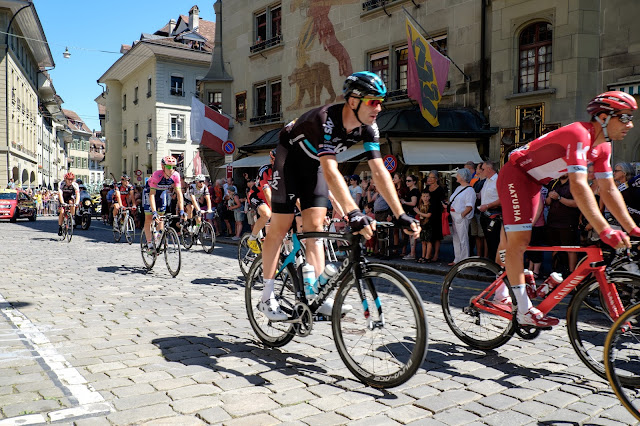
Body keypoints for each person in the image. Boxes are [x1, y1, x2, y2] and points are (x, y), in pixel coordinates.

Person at [257, 71, 420, 320]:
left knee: (316, 226)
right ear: (353, 101)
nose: (379, 107)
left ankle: (319, 296)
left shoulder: (369, 127)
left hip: (312, 166)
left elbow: (379, 171)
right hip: (288, 160)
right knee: (280, 226)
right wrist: (353, 212)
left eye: (381, 102)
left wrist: (400, 214)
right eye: (373, 101)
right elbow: (331, 169)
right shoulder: (326, 121)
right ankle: (267, 298)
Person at [495, 90, 640, 327]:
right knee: (520, 240)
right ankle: (522, 309)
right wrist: (604, 230)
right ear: (603, 117)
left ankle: (510, 274)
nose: (630, 124)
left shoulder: (603, 148)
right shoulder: (578, 133)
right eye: (624, 117)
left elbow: (609, 189)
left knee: (519, 238)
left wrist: (631, 228)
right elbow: (579, 185)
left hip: (535, 182)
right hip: (516, 175)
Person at [143, 156, 185, 253]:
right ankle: (149, 244)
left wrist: (182, 210)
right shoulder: (157, 175)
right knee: (149, 218)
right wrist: (153, 212)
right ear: (163, 167)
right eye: (169, 167)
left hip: (162, 193)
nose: (171, 170)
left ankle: (158, 239)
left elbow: (179, 194)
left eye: (173, 167)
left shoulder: (176, 175)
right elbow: (152, 195)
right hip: (149, 193)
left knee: (161, 217)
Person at [545, 174, 581, 274]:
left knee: (570, 248)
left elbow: (576, 203)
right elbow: (547, 203)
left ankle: (572, 273)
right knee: (555, 247)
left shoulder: (575, 183)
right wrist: (550, 197)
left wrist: (559, 198)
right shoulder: (553, 183)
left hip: (568, 222)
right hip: (553, 221)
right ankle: (555, 271)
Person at [246, 149, 276, 253]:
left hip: (272, 198)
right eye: (274, 160)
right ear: (271, 160)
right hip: (257, 196)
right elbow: (267, 191)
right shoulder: (264, 170)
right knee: (267, 214)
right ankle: (252, 238)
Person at [448, 168, 476, 265]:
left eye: (458, 175)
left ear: (463, 177)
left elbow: (469, 206)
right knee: (456, 238)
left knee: (463, 238)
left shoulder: (470, 190)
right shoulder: (459, 188)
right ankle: (457, 259)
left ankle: (464, 260)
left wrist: (461, 216)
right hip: (455, 215)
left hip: (461, 216)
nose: (456, 177)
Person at [478, 160, 501, 262]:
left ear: (489, 169)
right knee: (488, 240)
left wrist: (488, 205)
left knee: (494, 241)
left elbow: (502, 199)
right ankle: (490, 264)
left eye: (482, 169)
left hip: (494, 213)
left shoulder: (498, 180)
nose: (480, 171)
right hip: (485, 214)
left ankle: (495, 266)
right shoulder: (487, 180)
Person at [425, 170, 445, 262]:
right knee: (428, 235)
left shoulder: (440, 190)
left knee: (437, 235)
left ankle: (436, 254)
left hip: (436, 214)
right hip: (427, 213)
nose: (429, 179)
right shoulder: (426, 188)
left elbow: (442, 202)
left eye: (431, 177)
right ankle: (427, 253)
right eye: (428, 177)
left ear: (436, 179)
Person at [400, 174, 420, 259]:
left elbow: (413, 203)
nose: (407, 182)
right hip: (410, 214)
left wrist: (404, 202)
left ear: (414, 182)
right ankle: (412, 253)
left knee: (412, 234)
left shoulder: (414, 191)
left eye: (409, 181)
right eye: (406, 181)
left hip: (412, 214)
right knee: (410, 234)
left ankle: (412, 253)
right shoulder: (411, 191)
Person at [414, 190, 433, 263]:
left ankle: (427, 256)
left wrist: (418, 212)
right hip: (422, 224)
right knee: (423, 241)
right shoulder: (420, 205)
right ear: (421, 197)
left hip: (429, 225)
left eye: (427, 196)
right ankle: (423, 255)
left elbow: (428, 215)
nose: (425, 198)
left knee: (428, 241)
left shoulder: (430, 205)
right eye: (424, 196)